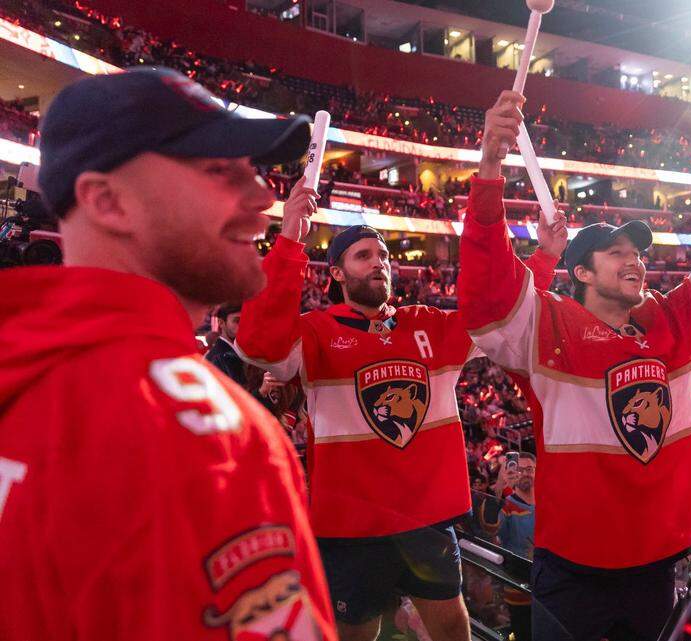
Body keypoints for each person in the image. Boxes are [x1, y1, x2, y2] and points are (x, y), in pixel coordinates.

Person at [0, 68, 336, 640]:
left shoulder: (27, 372)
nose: (263, 195)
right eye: (218, 170)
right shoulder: (211, 438)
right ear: (108, 201)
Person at [458, 90, 691, 641]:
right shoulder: (548, 328)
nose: (634, 259)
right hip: (571, 569)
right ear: (581, 272)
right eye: (616, 253)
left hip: (655, 568)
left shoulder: (673, 319)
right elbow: (488, 297)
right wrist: (490, 167)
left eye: (636, 252)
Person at [234, 177, 567, 641]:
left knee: (453, 628)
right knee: (356, 635)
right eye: (363, 256)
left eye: (384, 256)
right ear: (335, 272)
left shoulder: (426, 323)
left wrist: (546, 258)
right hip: (351, 526)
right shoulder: (313, 334)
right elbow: (256, 343)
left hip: (425, 521)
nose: (379, 263)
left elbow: (504, 317)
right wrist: (290, 236)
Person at [485, 452, 537, 641]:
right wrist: (499, 488)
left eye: (529, 469)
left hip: (549, 584)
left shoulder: (549, 500)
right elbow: (490, 531)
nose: (525, 473)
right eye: (519, 469)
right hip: (519, 586)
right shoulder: (506, 506)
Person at [206, 303, 246, 383]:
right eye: (237, 321)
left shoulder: (242, 351)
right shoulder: (217, 357)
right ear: (221, 323)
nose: (243, 325)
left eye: (245, 320)